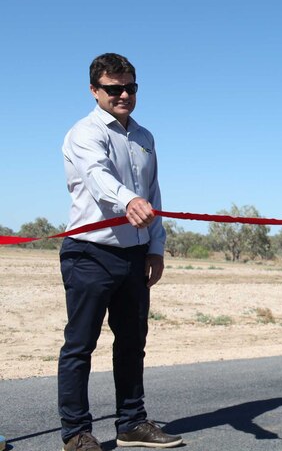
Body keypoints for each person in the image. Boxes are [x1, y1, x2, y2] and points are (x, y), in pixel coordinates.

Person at [58, 53, 182, 450]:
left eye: (130, 87)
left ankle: (131, 423)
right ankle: (76, 433)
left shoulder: (145, 137)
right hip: (89, 254)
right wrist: (127, 201)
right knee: (80, 345)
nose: (124, 94)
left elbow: (153, 196)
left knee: (132, 342)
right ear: (94, 91)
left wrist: (156, 247)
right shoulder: (84, 133)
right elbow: (98, 178)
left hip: (134, 257)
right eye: (114, 89)